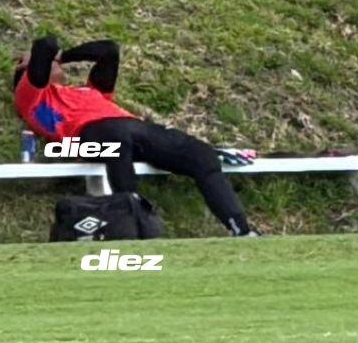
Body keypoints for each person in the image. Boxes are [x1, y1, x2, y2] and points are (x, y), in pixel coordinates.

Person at [13, 34, 258, 237]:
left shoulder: (88, 92)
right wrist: (45, 56)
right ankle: (136, 229)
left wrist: (65, 57)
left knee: (202, 156)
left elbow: (108, 50)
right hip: (85, 137)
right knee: (116, 143)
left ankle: (241, 230)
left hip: (133, 128)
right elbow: (46, 45)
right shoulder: (30, 96)